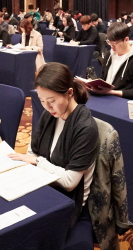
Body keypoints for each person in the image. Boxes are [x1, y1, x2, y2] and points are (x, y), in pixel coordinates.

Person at [8, 63, 99, 229]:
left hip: (67, 200)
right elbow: (31, 151)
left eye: (51, 101)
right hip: (44, 184)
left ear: (69, 93)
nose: (47, 107)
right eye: (41, 100)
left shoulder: (85, 127)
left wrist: (38, 162)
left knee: (19, 227)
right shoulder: (49, 114)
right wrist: (35, 160)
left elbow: (69, 182)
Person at [90, 22, 133, 100]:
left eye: (115, 44)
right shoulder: (109, 55)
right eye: (109, 44)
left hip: (124, 102)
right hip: (106, 98)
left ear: (126, 40)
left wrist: (111, 92)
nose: (112, 48)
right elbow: (105, 79)